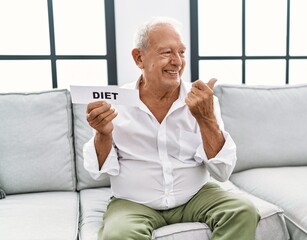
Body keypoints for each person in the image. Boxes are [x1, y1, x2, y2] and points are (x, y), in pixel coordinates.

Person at [83, 16, 260, 240]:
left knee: (243, 210)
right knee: (117, 234)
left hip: (194, 196)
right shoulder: (117, 102)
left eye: (181, 52)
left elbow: (222, 172)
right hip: (134, 202)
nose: (177, 61)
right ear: (139, 58)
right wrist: (103, 133)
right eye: (166, 52)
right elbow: (97, 172)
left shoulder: (202, 100)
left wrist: (206, 119)